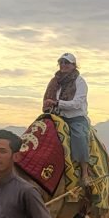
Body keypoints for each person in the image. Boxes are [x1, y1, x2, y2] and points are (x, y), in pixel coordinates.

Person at [42, 52, 92, 187]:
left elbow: (77, 103)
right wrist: (48, 105)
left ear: (73, 65)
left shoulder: (80, 82)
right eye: (61, 62)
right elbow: (48, 98)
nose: (63, 65)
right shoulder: (55, 82)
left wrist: (57, 103)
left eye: (66, 63)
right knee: (39, 132)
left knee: (80, 137)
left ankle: (85, 173)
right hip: (57, 116)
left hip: (75, 118)